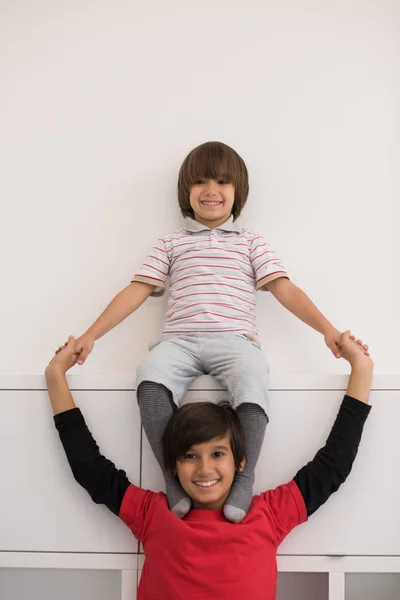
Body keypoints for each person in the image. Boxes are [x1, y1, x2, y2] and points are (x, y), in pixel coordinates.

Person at [56, 141, 369, 522]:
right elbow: (136, 290)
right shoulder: (171, 243)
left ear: (238, 192)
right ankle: (173, 476)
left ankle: (243, 476)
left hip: (235, 341)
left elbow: (284, 287)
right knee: (149, 379)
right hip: (179, 343)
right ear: (186, 191)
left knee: (253, 379)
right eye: (201, 181)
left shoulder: (251, 242)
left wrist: (328, 330)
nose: (211, 190)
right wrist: (91, 334)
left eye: (222, 182)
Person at [46, 330, 373, 600]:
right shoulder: (153, 515)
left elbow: (334, 464)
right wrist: (55, 376)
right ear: (172, 464)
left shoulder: (268, 516)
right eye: (190, 456)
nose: (204, 469)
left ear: (241, 460)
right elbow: (89, 467)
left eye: (217, 454)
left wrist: (361, 369)